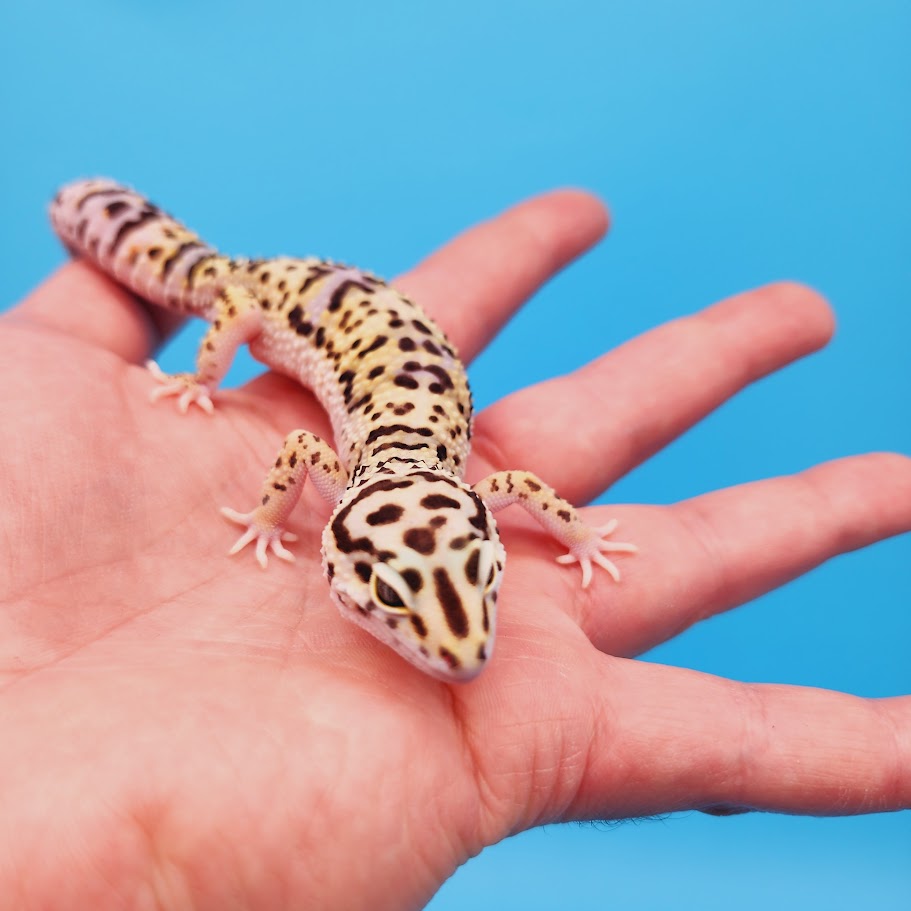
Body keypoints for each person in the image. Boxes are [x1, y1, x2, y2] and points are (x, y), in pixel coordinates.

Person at [1, 190, 908, 910]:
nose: (462, 646)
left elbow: (512, 488)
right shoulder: (339, 466)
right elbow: (301, 451)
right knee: (216, 296)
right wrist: (216, 400)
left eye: (477, 584)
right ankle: (116, 226)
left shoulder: (449, 487)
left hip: (358, 335)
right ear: (338, 555)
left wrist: (580, 532)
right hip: (277, 304)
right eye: (398, 601)